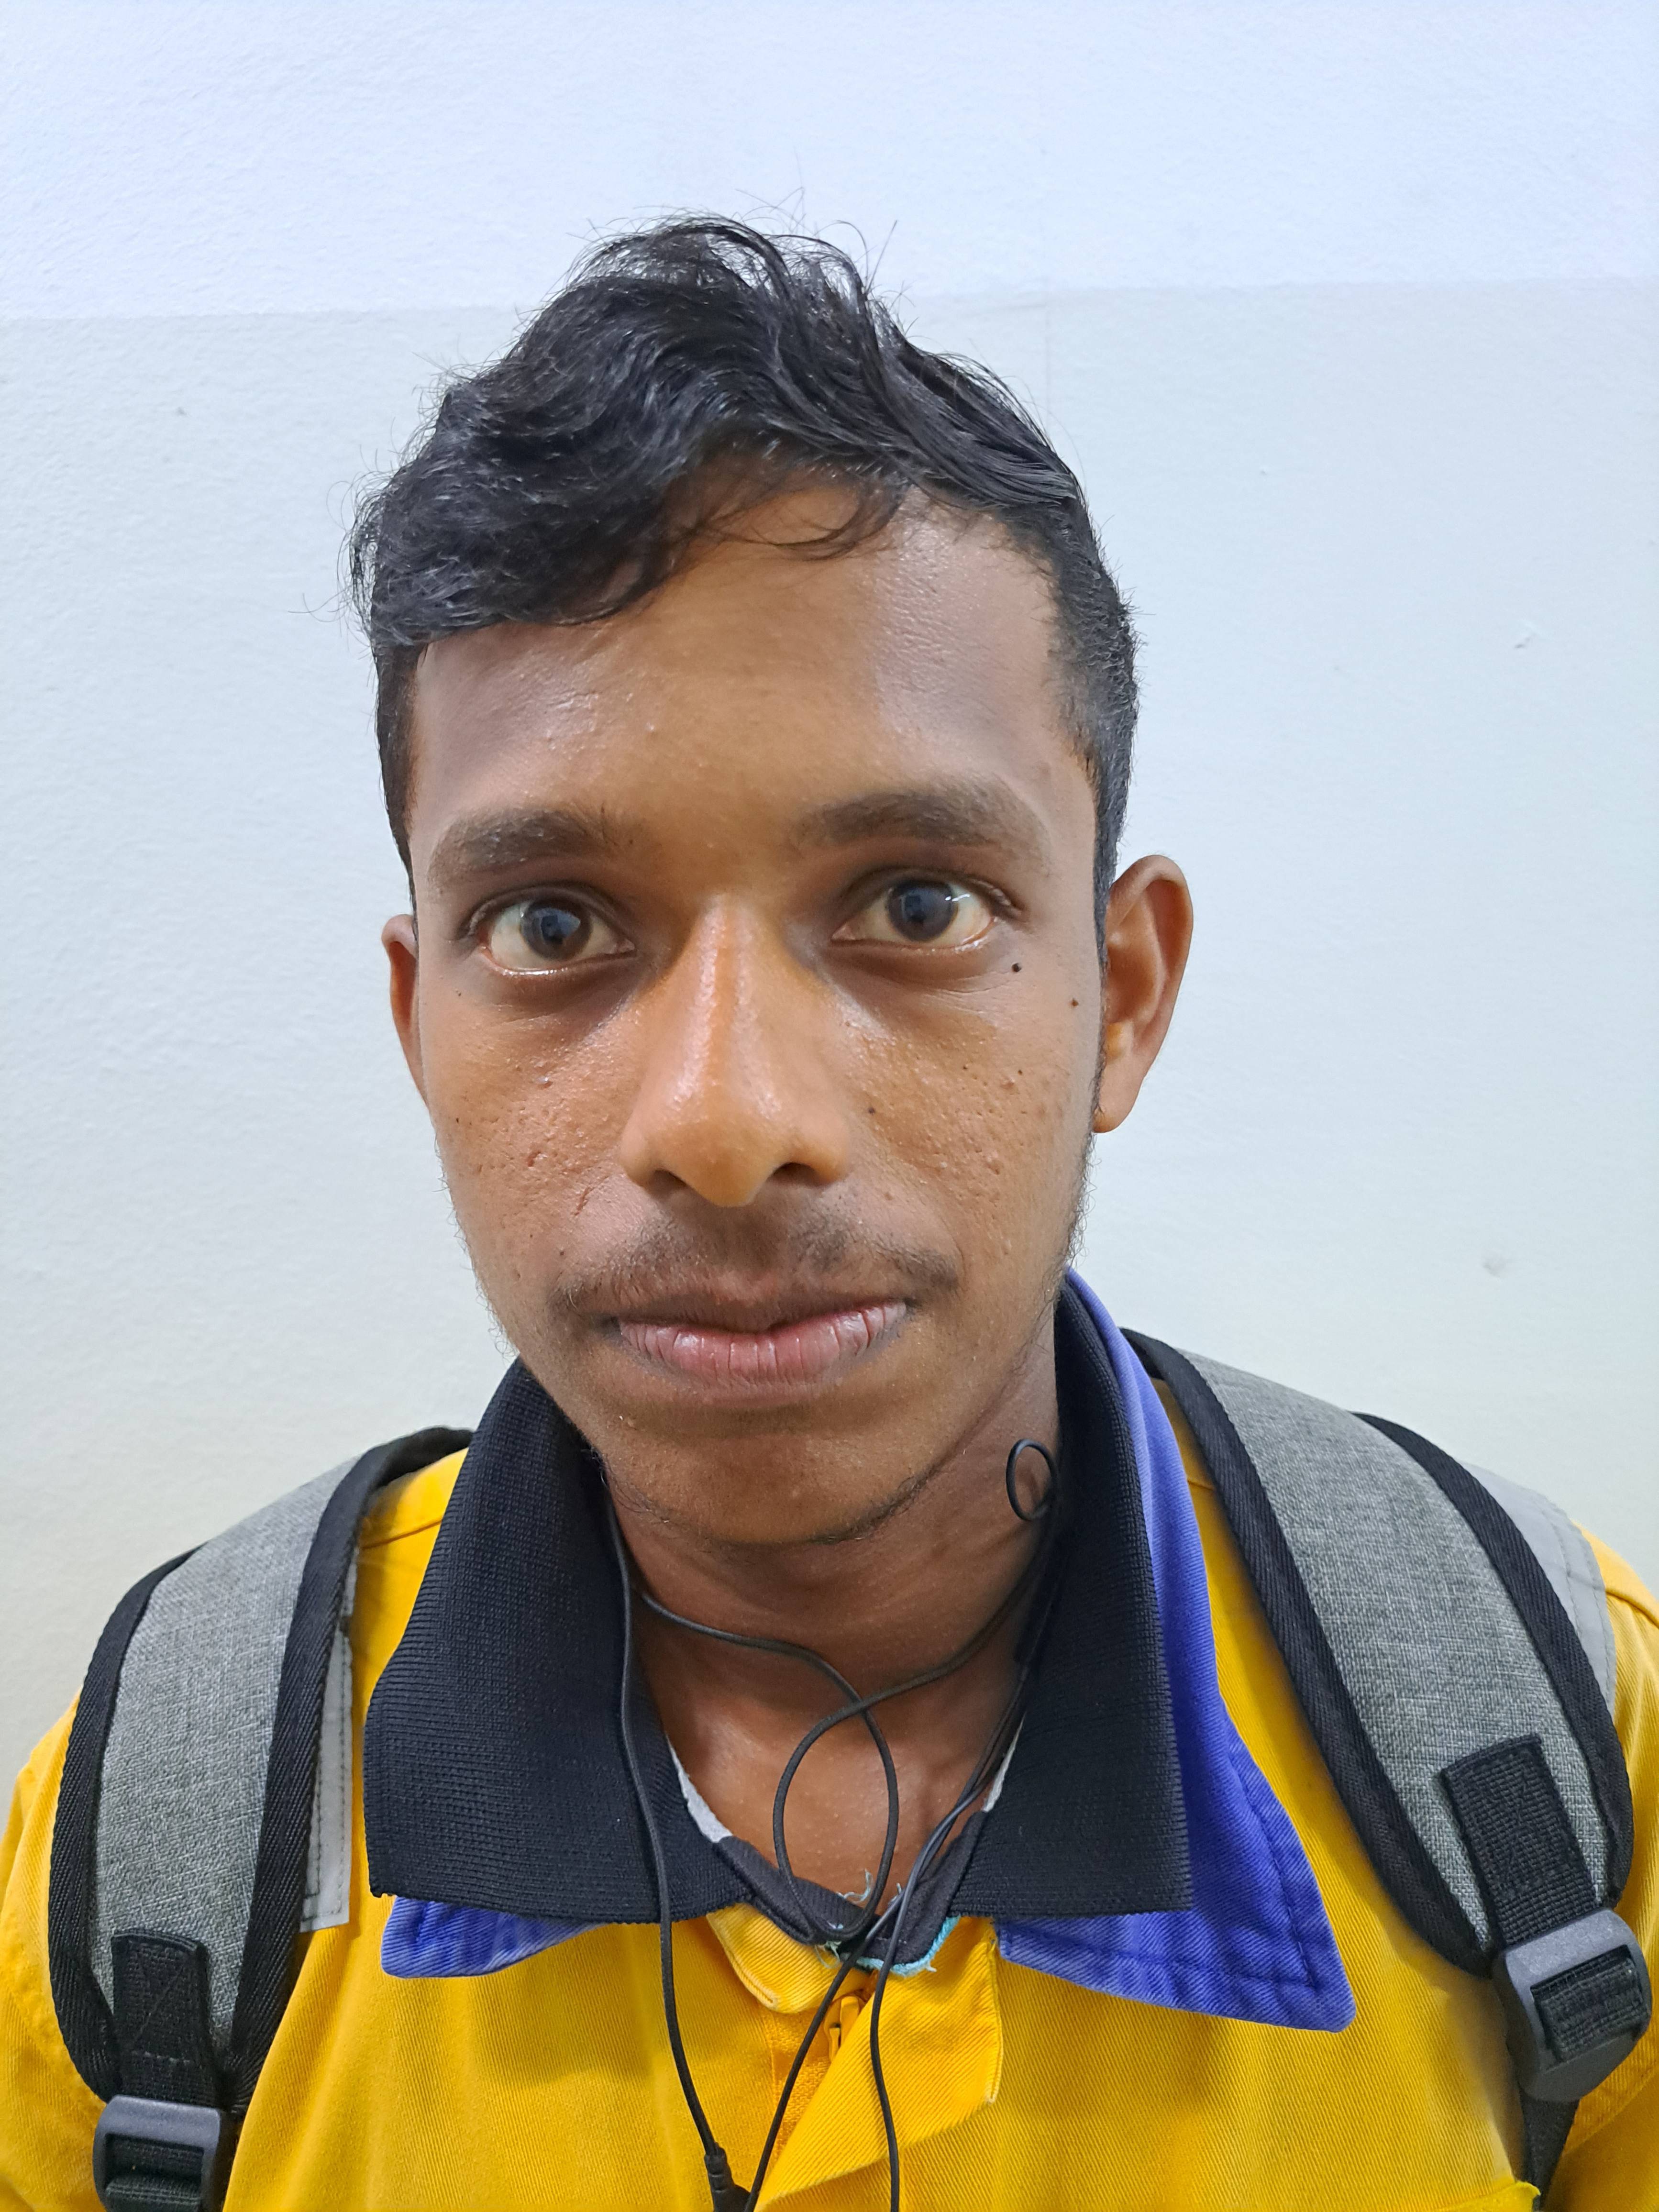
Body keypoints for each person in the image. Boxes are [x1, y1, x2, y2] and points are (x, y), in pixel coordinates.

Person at [1, 220, 1653, 2212]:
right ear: (420, 1020)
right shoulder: (165, 1840)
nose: (726, 1123)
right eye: (554, 925)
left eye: (914, 904)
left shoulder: (1551, 1752)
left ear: (1124, 996)